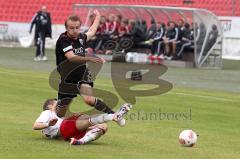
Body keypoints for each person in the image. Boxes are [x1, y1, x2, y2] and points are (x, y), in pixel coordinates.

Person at [55, 10, 122, 124]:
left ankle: (114, 115)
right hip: (68, 79)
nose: (75, 30)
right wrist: (90, 58)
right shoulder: (63, 40)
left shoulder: (81, 37)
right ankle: (52, 121)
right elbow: (71, 57)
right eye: (71, 28)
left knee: (89, 100)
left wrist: (98, 17)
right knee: (60, 113)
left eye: (77, 27)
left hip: (82, 75)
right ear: (66, 28)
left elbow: (91, 31)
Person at [33, 99, 132, 145]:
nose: (60, 105)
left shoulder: (62, 115)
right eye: (56, 103)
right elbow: (35, 126)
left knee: (103, 127)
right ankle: (113, 116)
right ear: (50, 106)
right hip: (64, 128)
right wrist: (48, 124)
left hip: (70, 134)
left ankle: (81, 141)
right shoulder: (48, 112)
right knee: (82, 117)